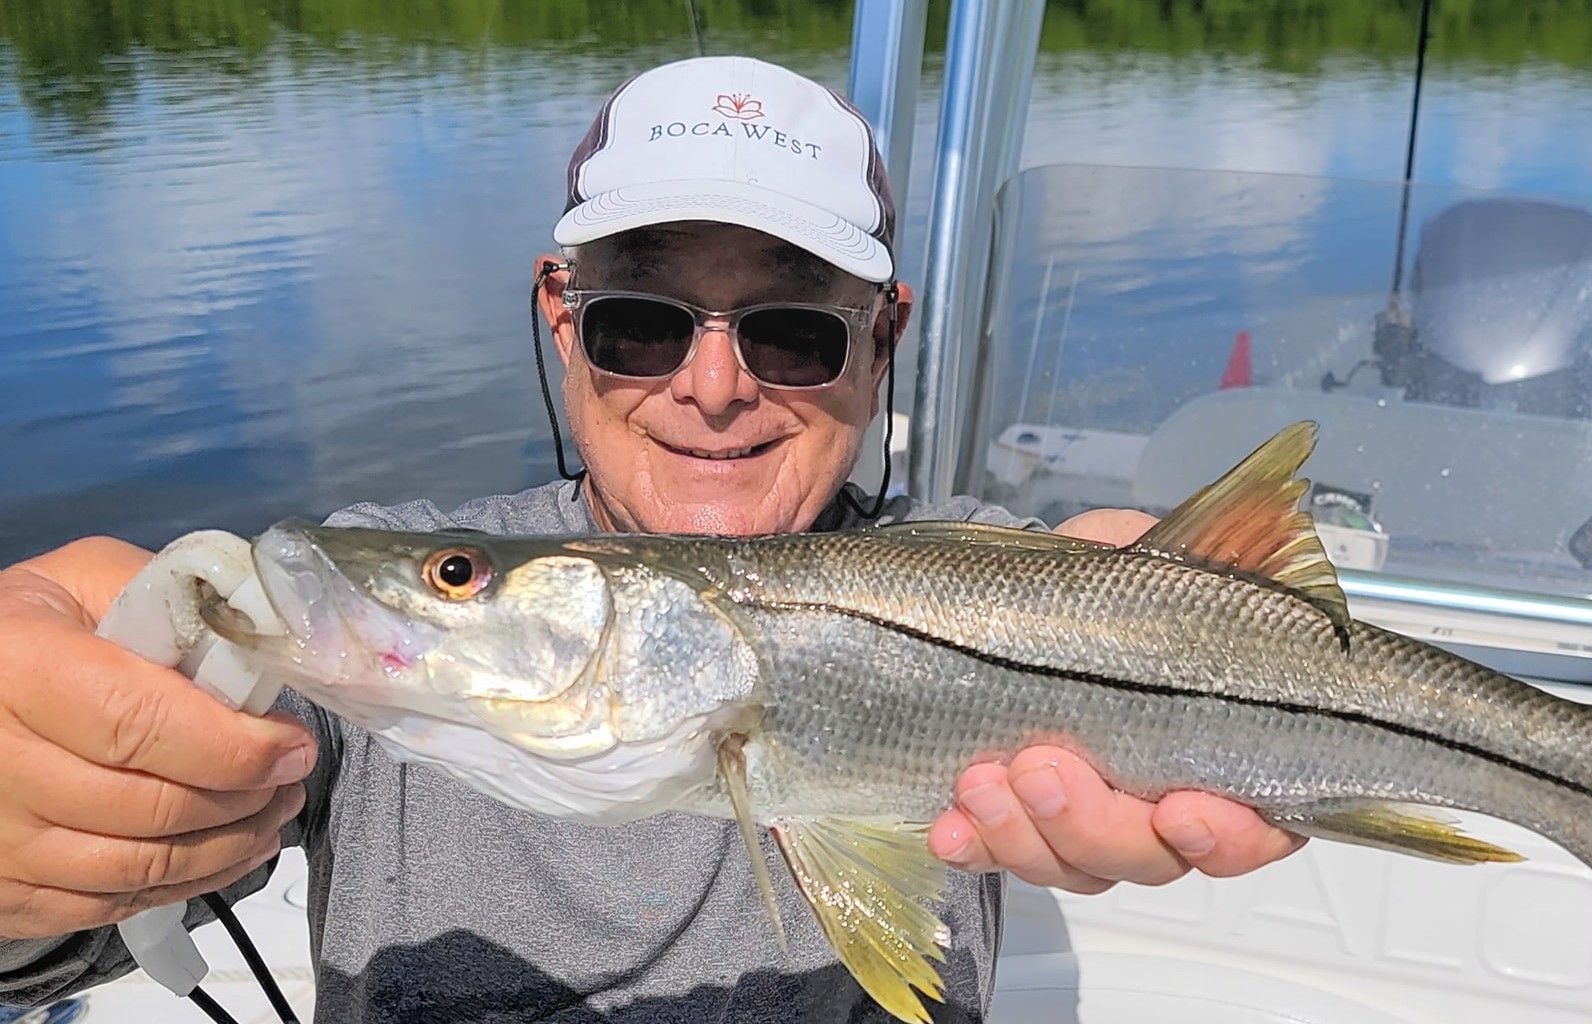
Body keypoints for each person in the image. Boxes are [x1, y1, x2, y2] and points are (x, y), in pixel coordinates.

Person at [0, 56, 1301, 1021]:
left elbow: (1146, 584)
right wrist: (40, 810)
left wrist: (1222, 633)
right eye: (643, 322)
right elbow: (61, 935)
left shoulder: (983, 575)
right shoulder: (388, 608)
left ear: (884, 340)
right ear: (560, 317)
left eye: (795, 331)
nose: (714, 388)